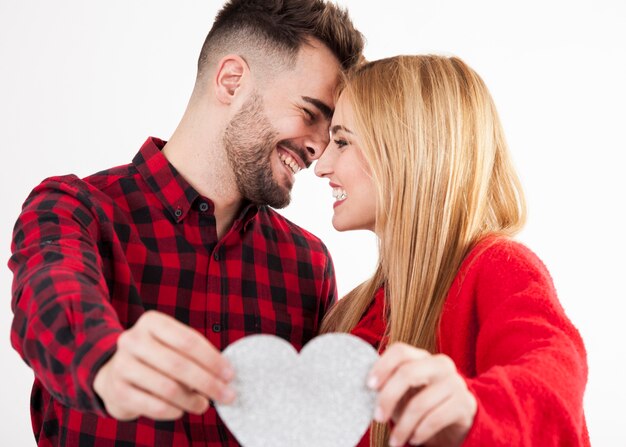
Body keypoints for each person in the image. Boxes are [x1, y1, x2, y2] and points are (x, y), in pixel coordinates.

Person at [8, 1, 364, 445]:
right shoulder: (74, 208)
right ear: (231, 81)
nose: (319, 151)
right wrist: (104, 360)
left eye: (332, 134)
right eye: (310, 114)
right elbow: (50, 295)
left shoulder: (309, 265)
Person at [315, 55, 589, 446]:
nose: (320, 165)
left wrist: (474, 410)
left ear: (408, 150)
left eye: (341, 141)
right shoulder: (350, 312)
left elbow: (553, 378)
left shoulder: (497, 267)